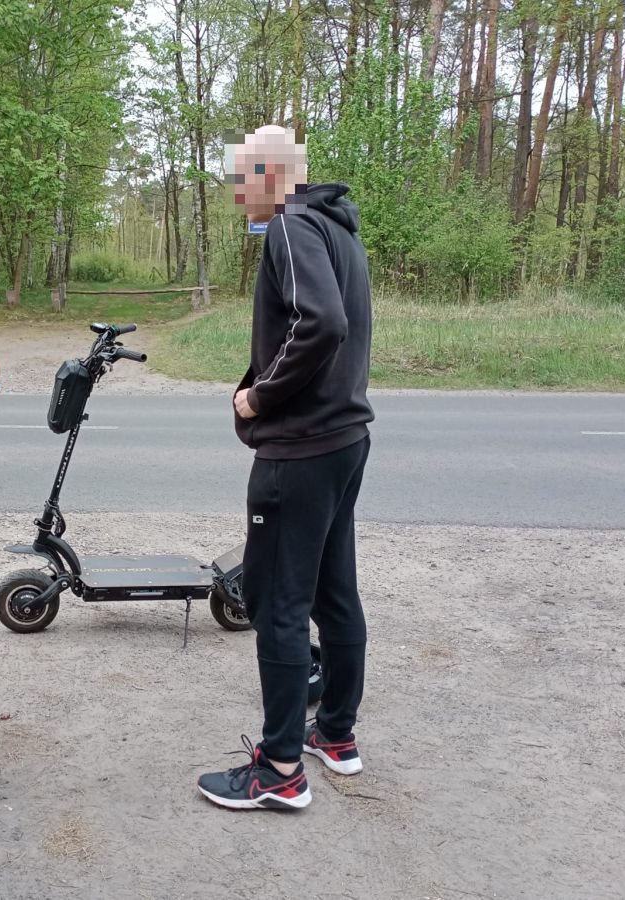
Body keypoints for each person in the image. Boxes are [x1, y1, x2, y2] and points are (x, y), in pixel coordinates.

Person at [197, 126, 374, 811]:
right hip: (345, 437)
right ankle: (336, 735)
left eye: (243, 178)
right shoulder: (339, 228)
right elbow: (335, 323)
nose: (237, 193)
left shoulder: (293, 227)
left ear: (273, 175)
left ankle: (278, 772)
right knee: (335, 591)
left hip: (300, 446)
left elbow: (322, 323)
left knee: (276, 601)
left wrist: (258, 394)